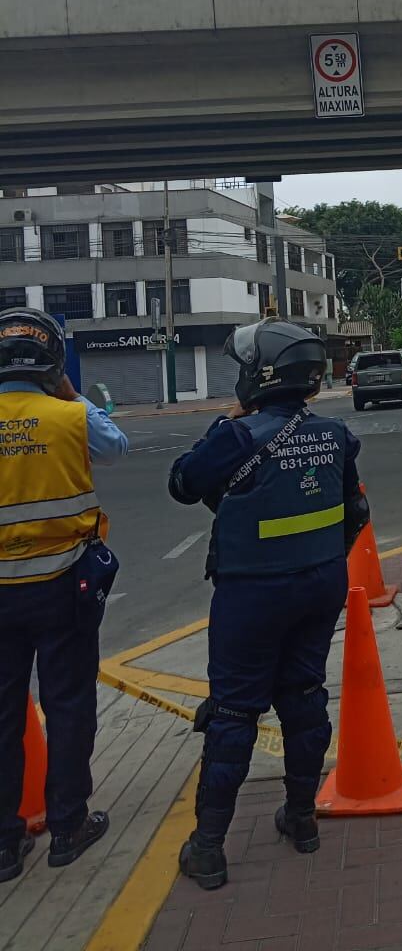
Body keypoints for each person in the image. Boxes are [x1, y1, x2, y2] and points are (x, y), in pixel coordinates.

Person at [168, 319, 369, 890]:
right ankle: (302, 820)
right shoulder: (334, 434)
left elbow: (183, 484)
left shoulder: (237, 436)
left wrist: (221, 425)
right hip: (320, 585)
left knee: (234, 711)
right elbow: (356, 512)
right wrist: (319, 560)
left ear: (260, 376)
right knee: (304, 695)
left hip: (252, 593)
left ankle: (209, 849)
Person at [0, 308, 128, 884]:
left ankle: (4, 845)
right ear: (53, 361)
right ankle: (68, 827)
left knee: (2, 716)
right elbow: (116, 448)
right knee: (69, 705)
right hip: (63, 587)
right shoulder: (71, 415)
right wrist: (74, 397)